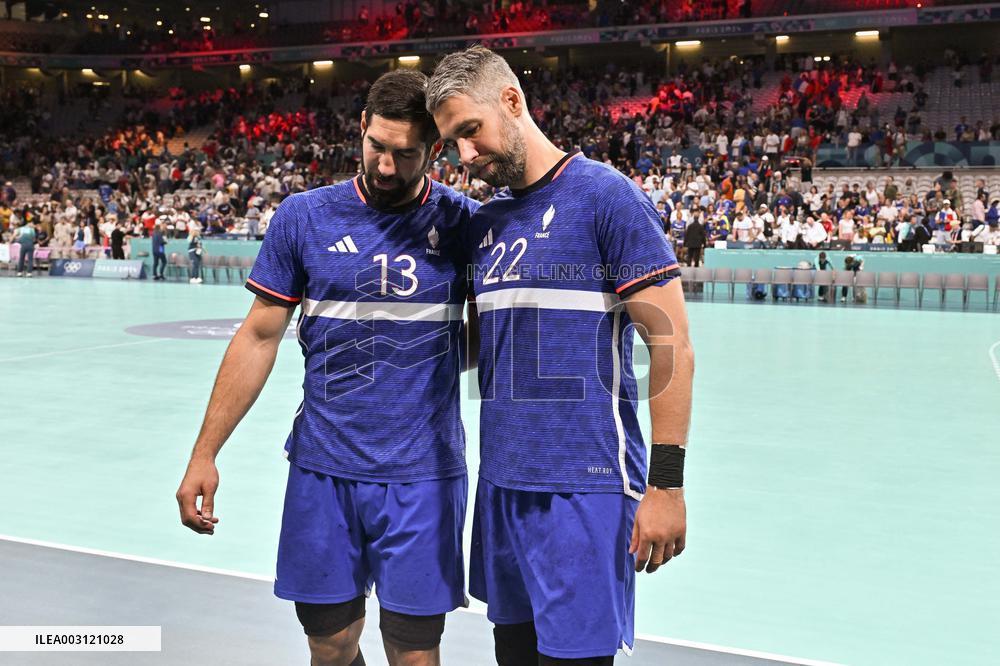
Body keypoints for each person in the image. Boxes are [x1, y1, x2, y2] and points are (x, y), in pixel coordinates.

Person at [176, 69, 479, 666]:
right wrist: (204, 452)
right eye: (377, 148)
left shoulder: (464, 223)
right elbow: (259, 336)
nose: (387, 167)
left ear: (435, 150)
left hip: (423, 473)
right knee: (331, 645)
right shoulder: (304, 217)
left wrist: (430, 357)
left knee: (414, 653)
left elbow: (493, 336)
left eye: (406, 154)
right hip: (323, 469)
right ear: (361, 127)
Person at [428, 45, 692, 665]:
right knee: (514, 656)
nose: (465, 156)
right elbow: (486, 340)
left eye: (471, 131)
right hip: (502, 485)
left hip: (585, 489)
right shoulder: (485, 223)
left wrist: (668, 487)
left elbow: (671, 344)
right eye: (452, 144)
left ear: (512, 102)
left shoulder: (606, 197)